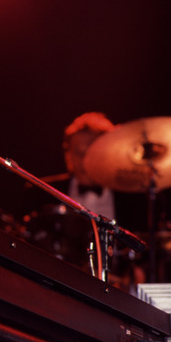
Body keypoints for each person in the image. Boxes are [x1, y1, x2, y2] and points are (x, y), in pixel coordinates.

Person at [21, 112, 146, 288]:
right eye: (77, 152)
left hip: (114, 295)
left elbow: (143, 256)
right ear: (67, 154)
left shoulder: (134, 200)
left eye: (90, 150)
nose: (83, 159)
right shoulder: (40, 192)